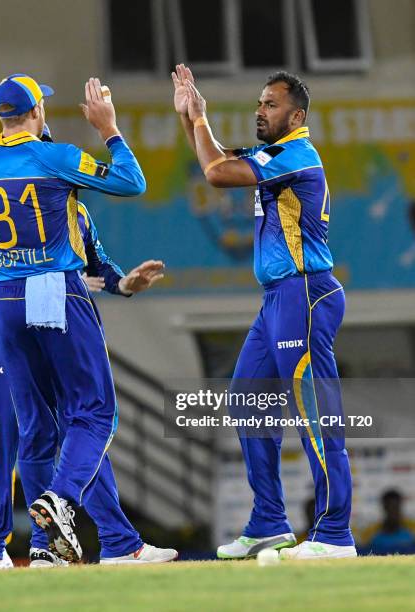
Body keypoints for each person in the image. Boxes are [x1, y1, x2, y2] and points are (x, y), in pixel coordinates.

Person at [0, 109, 176, 566]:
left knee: (55, 432)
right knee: (64, 425)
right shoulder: (37, 173)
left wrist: (124, 284)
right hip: (18, 311)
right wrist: (59, 277)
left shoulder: (70, 211)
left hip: (19, 310)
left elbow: (100, 268)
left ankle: (102, 543)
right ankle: (3, 542)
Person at [172, 64, 356, 560]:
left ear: (296, 115)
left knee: (314, 413)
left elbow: (214, 173)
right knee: (246, 400)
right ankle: (270, 523)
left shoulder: (296, 154)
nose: (260, 110)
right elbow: (217, 158)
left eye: (270, 104)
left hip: (305, 293)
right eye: (259, 102)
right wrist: (193, 119)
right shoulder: (273, 154)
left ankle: (335, 533)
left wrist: (201, 120)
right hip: (279, 298)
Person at [362, 490, 415, 555]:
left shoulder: (412, 529)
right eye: (390, 506)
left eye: (395, 507)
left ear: (400, 506)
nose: (393, 511)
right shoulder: (371, 532)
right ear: (384, 507)